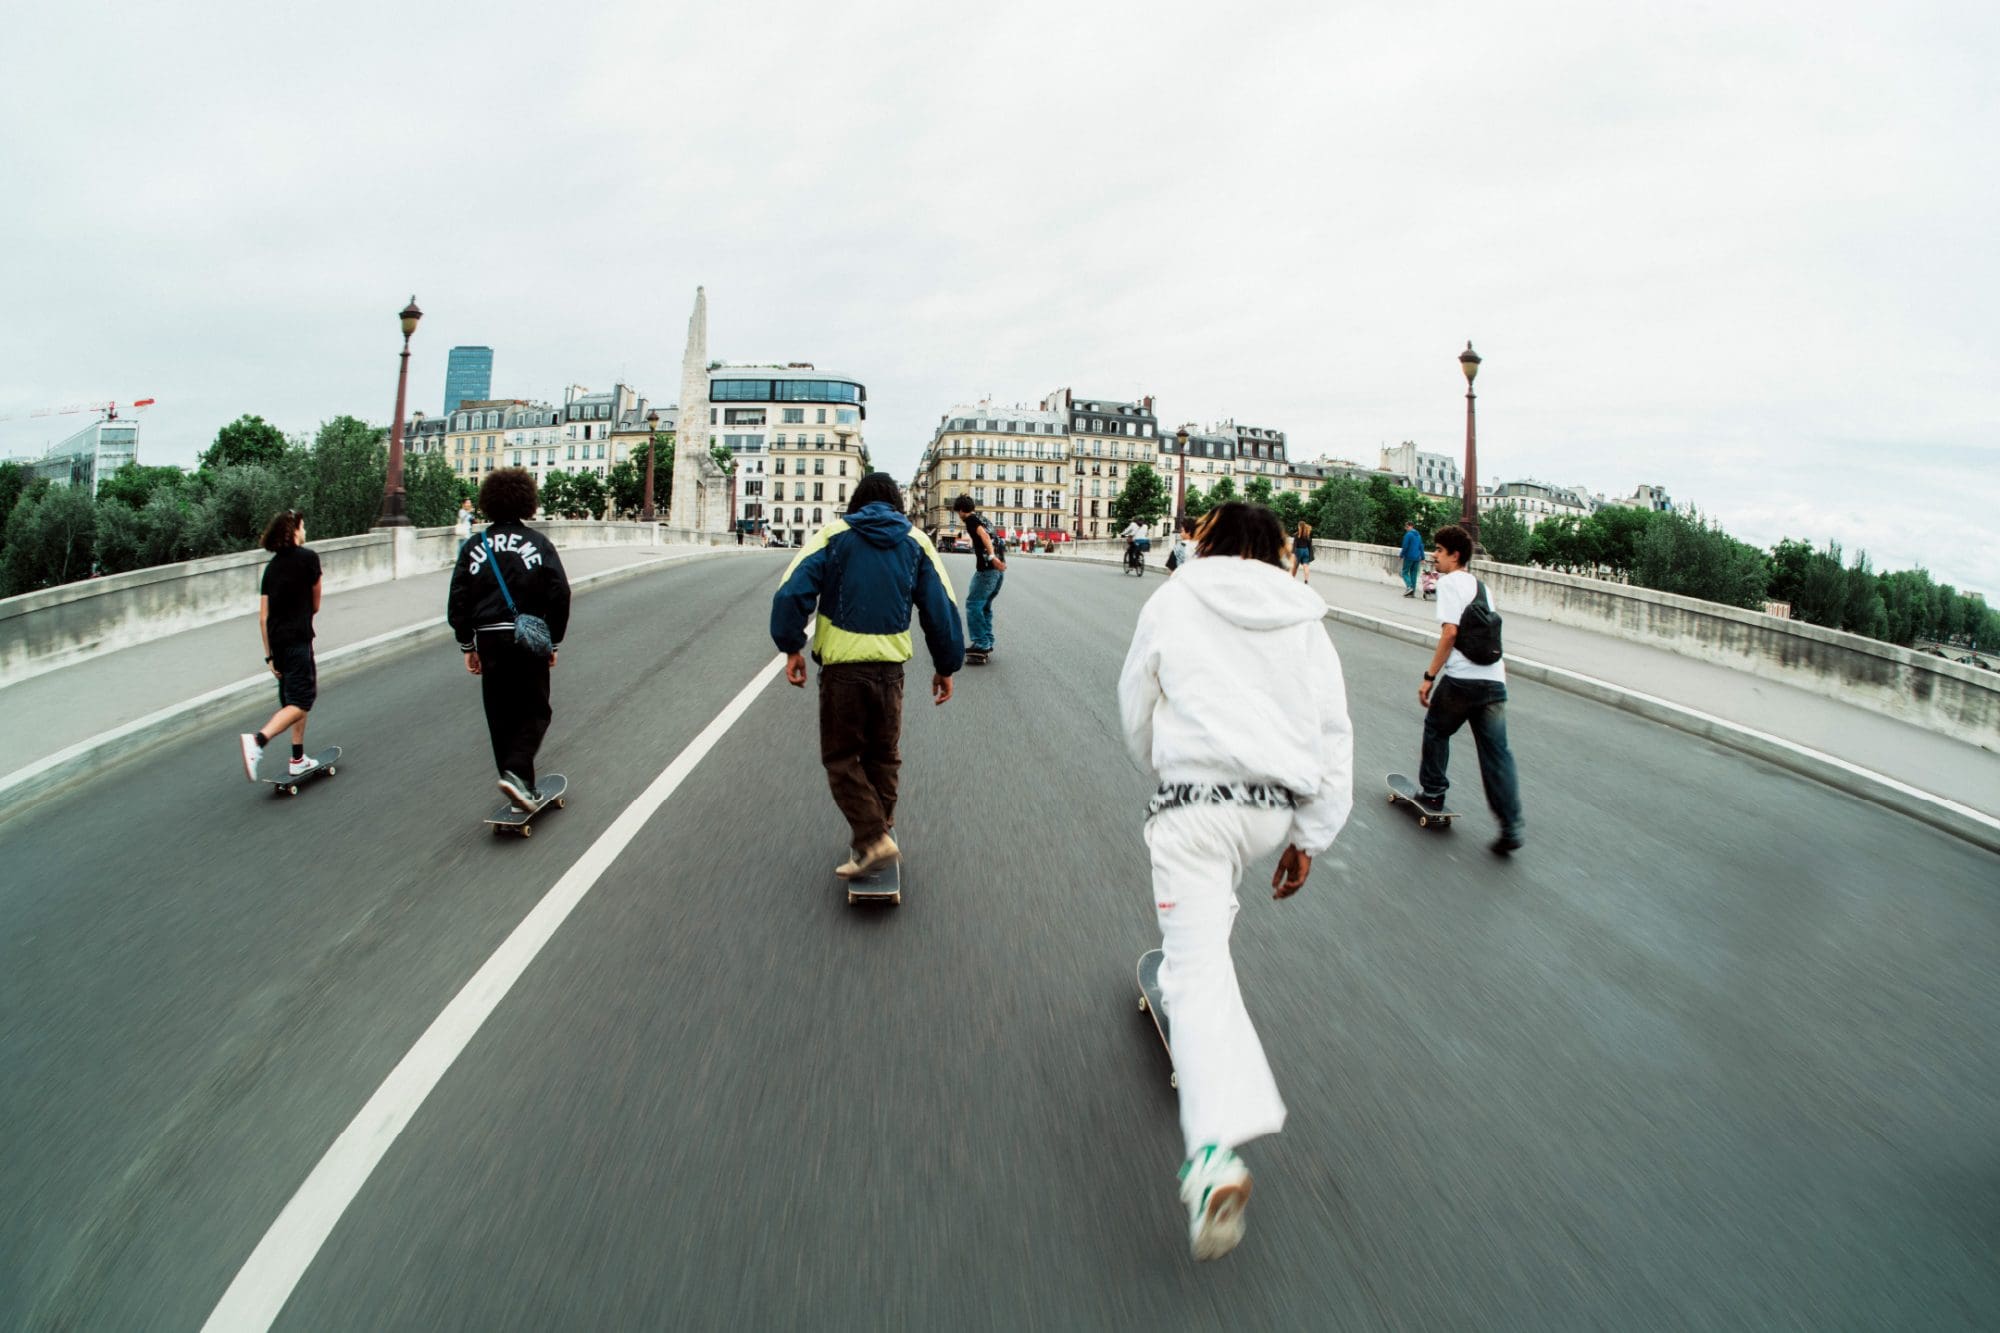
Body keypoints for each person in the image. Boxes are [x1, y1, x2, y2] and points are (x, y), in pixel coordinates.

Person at [1117, 501, 1355, 1261]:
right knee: (1210, 912)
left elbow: (1137, 704)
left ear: (1207, 540)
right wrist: (1310, 835)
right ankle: (1203, 937)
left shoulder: (1176, 596)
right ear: (1278, 549)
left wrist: (1166, 763)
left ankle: (1212, 1159)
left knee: (1196, 971)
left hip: (1195, 805)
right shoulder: (1303, 617)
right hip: (1268, 812)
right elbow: (1332, 732)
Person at [772, 474, 964, 878]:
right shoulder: (917, 541)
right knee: (884, 755)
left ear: (856, 502)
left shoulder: (833, 534)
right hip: (890, 672)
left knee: (842, 758)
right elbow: (942, 609)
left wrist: (791, 645)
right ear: (897, 504)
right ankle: (882, 830)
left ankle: (873, 837)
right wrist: (945, 666)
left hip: (843, 670)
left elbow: (792, 592)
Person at [448, 467, 572, 810]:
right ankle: (518, 773)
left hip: (488, 639)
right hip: (527, 637)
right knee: (535, 710)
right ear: (526, 501)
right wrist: (554, 640)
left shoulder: (475, 546)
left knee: (499, 713)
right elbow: (560, 593)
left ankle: (517, 783)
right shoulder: (538, 543)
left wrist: (467, 644)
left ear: (488, 502)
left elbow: (458, 600)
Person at [1415, 523, 1525, 854]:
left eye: (1439, 550)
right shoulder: (1482, 587)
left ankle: (1433, 791)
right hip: (1494, 680)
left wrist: (1429, 676)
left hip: (1462, 679)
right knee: (1497, 754)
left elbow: (1450, 633)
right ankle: (1510, 824)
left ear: (1455, 555)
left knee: (1436, 729)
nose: (1434, 555)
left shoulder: (1449, 584)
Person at [238, 510, 324, 782]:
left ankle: (298, 759)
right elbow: (316, 605)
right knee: (302, 701)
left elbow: (263, 617)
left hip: (277, 645)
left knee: (292, 702)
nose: (305, 529)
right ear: (295, 530)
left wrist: (269, 657)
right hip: (298, 640)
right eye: (303, 525)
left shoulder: (271, 568)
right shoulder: (309, 559)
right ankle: (258, 740)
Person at [954, 494, 1006, 663]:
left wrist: (991, 557)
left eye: (958, 512)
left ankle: (981, 642)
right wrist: (998, 559)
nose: (958, 515)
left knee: (973, 604)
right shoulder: (983, 519)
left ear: (961, 511)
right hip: (998, 572)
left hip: (987, 571)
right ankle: (988, 640)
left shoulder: (971, 521)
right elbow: (997, 539)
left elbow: (983, 535)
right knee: (984, 607)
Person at [1399, 519, 1425, 597]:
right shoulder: (1419, 536)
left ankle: (1409, 587)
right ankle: (1412, 593)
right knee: (1413, 574)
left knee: (1404, 572)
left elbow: (1405, 546)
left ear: (1410, 526)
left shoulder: (1408, 535)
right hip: (1417, 558)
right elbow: (1421, 547)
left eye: (1407, 527)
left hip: (1409, 556)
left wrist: (1401, 555)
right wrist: (1423, 558)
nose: (1406, 529)